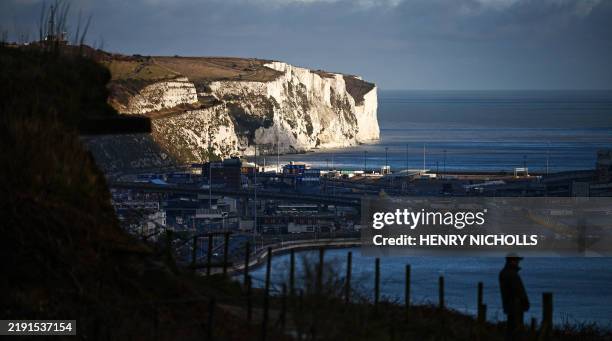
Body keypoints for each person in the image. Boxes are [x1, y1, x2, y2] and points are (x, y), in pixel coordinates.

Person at [499, 253, 530, 340]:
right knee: (516, 331)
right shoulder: (512, 274)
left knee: (511, 329)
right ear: (512, 261)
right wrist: (525, 302)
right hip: (515, 305)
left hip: (509, 305)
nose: (518, 263)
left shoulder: (503, 273)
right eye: (517, 261)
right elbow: (519, 290)